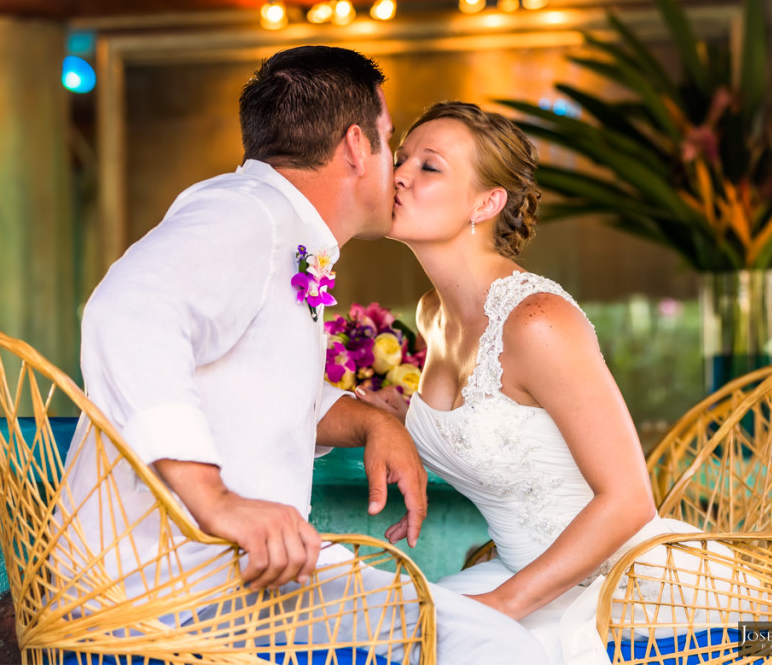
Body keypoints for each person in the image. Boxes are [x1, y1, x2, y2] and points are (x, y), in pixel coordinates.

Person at [64, 48, 549, 664]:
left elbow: (259, 387)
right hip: (169, 588)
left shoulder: (275, 227)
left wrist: (370, 420)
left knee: (474, 631)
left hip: (211, 584)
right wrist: (216, 501)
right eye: (388, 139)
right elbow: (127, 311)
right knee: (492, 645)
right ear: (354, 146)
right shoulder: (247, 216)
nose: (395, 168)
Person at [356, 101, 756, 663]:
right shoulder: (432, 314)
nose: (397, 174)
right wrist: (383, 418)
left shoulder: (538, 321)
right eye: (401, 159)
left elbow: (629, 500)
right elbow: (489, 421)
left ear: (486, 203)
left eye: (429, 166)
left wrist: (501, 606)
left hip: (623, 591)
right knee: (385, 633)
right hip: (520, 575)